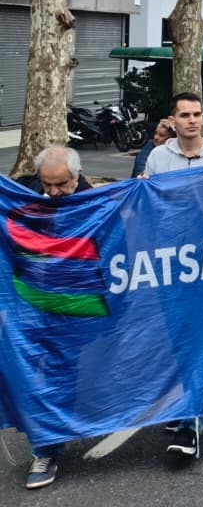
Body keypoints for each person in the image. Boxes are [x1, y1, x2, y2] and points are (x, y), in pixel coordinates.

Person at [141, 92, 203, 460]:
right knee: (177, 342)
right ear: (172, 119)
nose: (192, 120)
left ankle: (190, 425)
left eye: (197, 114)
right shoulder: (158, 157)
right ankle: (192, 402)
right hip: (171, 266)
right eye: (184, 115)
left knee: (201, 340)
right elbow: (146, 207)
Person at [16, 146, 91, 489]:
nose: (53, 192)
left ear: (76, 176)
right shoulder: (25, 198)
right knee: (41, 376)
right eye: (47, 184)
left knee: (72, 374)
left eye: (61, 184)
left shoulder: (98, 202)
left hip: (82, 306)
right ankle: (45, 449)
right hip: (34, 305)